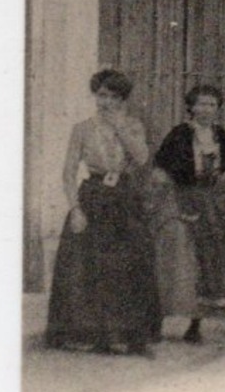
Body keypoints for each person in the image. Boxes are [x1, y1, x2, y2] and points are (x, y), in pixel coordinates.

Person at [44, 69, 160, 356]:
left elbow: (142, 158)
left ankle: (124, 333)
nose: (105, 102)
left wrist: (119, 127)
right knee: (87, 265)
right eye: (101, 96)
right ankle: (89, 333)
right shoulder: (82, 128)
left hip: (123, 198)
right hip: (93, 197)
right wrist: (75, 209)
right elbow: (68, 173)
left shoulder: (132, 125)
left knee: (127, 263)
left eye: (113, 97)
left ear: (123, 99)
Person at [151, 85, 225, 343]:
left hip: (211, 207)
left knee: (207, 264)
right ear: (191, 107)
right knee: (177, 262)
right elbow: (160, 168)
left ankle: (195, 325)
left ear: (218, 109)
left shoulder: (223, 137)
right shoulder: (179, 135)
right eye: (201, 104)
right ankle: (157, 321)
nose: (205, 110)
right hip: (180, 202)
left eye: (211, 105)